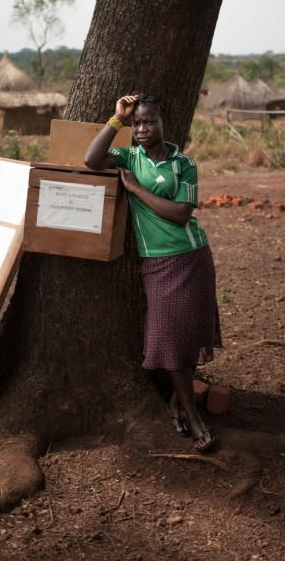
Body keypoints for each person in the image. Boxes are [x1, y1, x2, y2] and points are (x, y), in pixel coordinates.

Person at [84, 93, 222, 453]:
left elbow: (181, 214)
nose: (143, 129)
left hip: (192, 256)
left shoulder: (183, 163)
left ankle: (180, 404)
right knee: (171, 338)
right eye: (137, 123)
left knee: (189, 334)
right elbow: (91, 159)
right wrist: (116, 118)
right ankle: (192, 416)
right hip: (157, 263)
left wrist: (135, 189)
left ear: (164, 124)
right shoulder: (128, 155)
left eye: (150, 122)